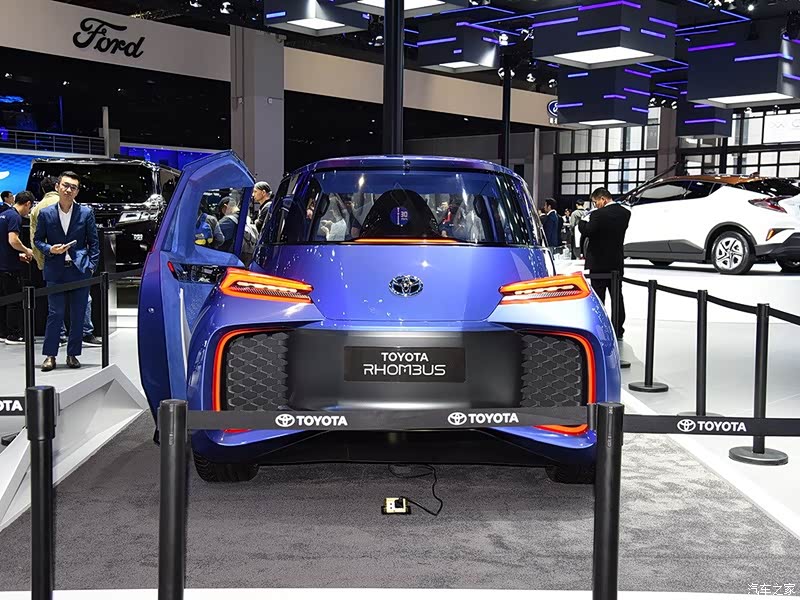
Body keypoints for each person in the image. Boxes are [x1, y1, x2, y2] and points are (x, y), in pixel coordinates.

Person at [34, 171, 100, 371]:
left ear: (77, 191)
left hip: (79, 270)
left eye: (73, 187)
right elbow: (38, 240)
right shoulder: (46, 213)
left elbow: (94, 243)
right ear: (57, 187)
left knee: (78, 314)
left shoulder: (86, 213)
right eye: (65, 185)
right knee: (55, 314)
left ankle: (73, 354)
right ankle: (50, 355)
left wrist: (90, 266)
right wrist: (49, 249)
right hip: (55, 270)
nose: (68, 190)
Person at [578, 187, 630, 340]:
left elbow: (588, 231)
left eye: (596, 202)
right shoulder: (625, 213)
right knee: (617, 297)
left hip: (598, 263)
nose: (595, 205)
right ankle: (618, 330)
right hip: (616, 262)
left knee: (599, 298)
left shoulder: (597, 215)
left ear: (603, 199)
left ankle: (600, 329)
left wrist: (582, 222)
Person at [0, 192, 34, 344]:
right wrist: (26, 250)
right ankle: (14, 335)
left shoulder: (3, 215)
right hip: (10, 267)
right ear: (28, 204)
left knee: (4, 300)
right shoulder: (15, 217)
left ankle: (2, 333)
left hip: (3, 264)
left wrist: (17, 255)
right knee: (14, 301)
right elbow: (13, 240)